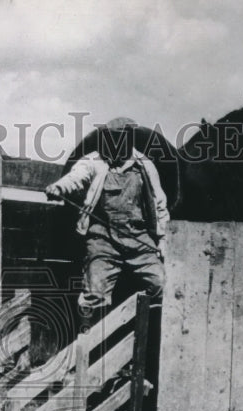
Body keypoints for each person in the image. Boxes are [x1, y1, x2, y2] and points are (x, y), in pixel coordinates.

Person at [45, 117, 170, 329]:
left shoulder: (144, 165)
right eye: (111, 139)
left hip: (139, 240)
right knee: (93, 293)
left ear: (129, 140)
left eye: (120, 139)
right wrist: (59, 188)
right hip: (103, 240)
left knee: (161, 284)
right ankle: (90, 347)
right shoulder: (94, 161)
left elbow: (160, 204)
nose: (115, 145)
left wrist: (163, 239)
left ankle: (146, 337)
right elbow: (76, 177)